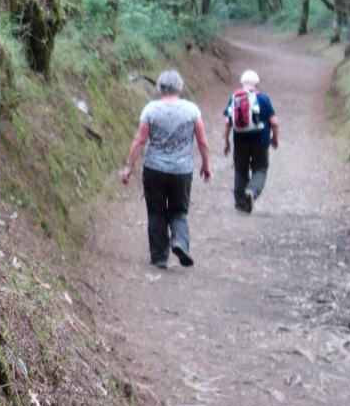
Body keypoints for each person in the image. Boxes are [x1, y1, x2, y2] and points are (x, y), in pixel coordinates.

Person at [119, 70, 213, 269]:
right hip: (182, 170)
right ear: (179, 87)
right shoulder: (191, 110)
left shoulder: (151, 110)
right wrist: (205, 165)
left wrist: (129, 166)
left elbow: (140, 140)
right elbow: (202, 141)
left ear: (160, 87)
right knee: (179, 210)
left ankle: (160, 257)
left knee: (156, 212)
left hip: (155, 169)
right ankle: (179, 241)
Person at [222, 69, 279, 213]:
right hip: (261, 140)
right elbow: (274, 122)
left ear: (242, 83)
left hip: (240, 140)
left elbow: (227, 122)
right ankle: (252, 192)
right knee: (260, 168)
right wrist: (275, 138)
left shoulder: (234, 98)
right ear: (256, 84)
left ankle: (241, 203)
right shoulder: (263, 99)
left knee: (240, 170)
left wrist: (226, 141)